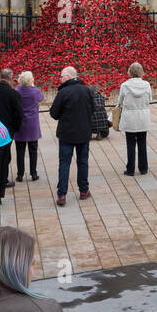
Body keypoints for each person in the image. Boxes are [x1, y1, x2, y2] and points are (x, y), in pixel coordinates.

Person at [49, 67, 94, 207]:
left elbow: (54, 113)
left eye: (61, 76)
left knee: (64, 163)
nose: (60, 79)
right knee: (82, 162)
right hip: (83, 132)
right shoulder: (87, 90)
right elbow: (93, 109)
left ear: (68, 77)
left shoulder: (63, 92)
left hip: (66, 133)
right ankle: (84, 190)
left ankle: (62, 194)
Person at [116, 63, 152, 176]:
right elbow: (149, 99)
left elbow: (120, 101)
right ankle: (143, 168)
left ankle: (130, 169)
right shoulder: (146, 85)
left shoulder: (125, 85)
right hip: (143, 116)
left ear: (130, 72)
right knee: (142, 143)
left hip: (130, 117)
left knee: (130, 143)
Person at [14, 71, 44, 181]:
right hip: (32, 124)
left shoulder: (17, 90)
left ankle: (20, 174)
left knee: (20, 151)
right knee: (33, 150)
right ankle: (33, 173)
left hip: (20, 123)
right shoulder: (35, 91)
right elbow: (41, 98)